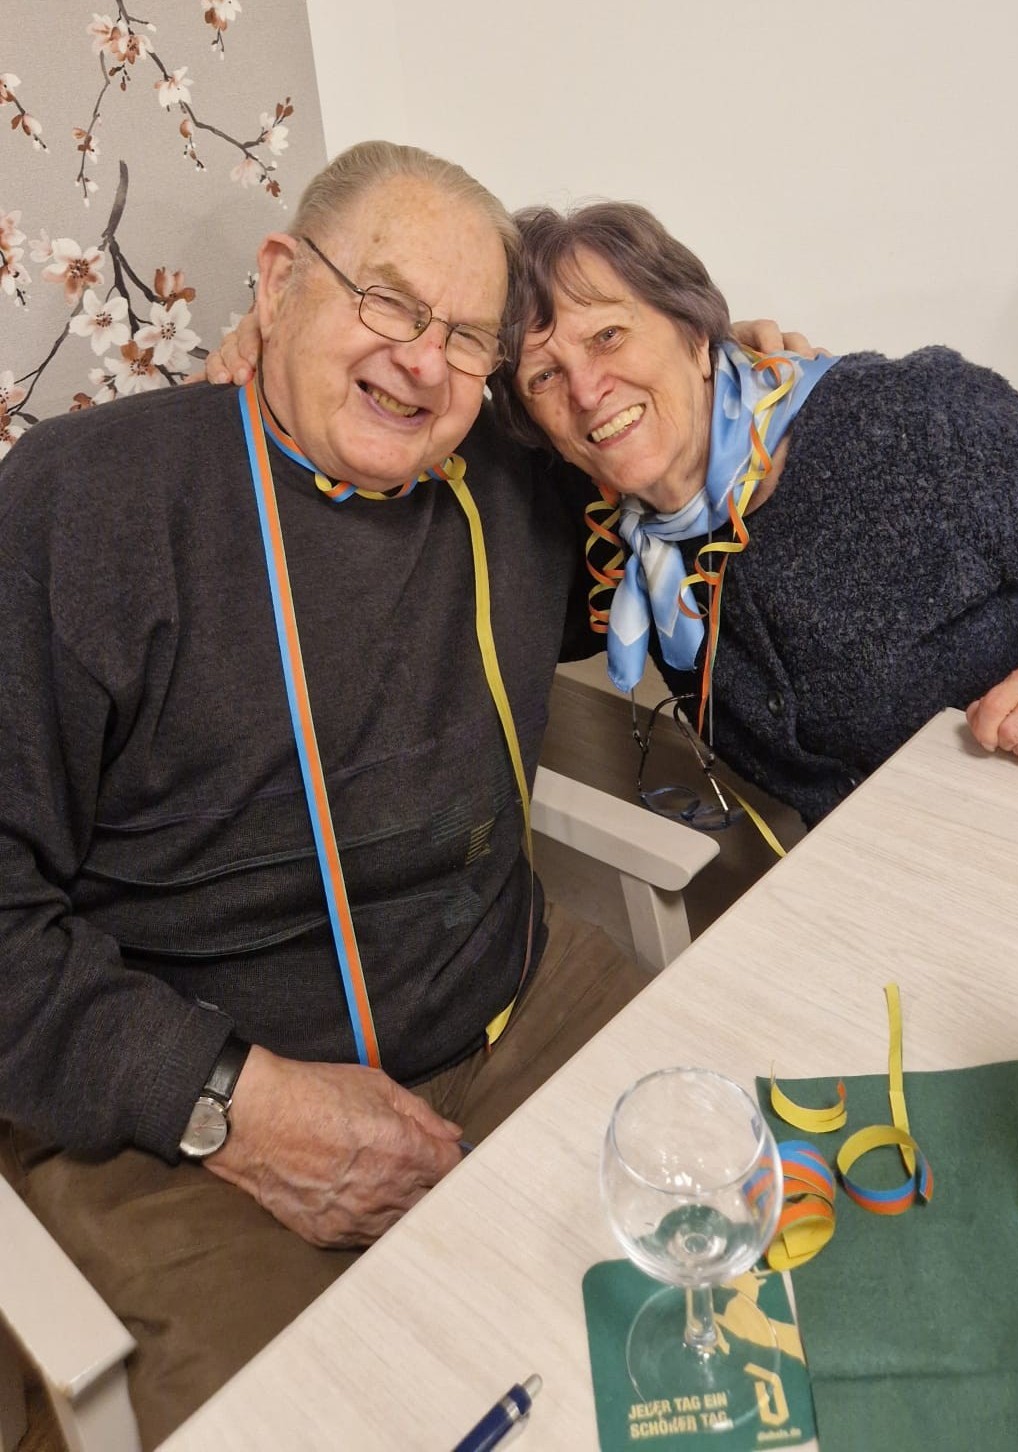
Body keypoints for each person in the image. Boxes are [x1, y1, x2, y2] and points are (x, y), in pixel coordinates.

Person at [0, 141, 667, 1448]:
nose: (422, 361)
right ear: (276, 282)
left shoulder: (512, 479)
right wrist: (228, 1103)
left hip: (513, 1008)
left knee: (739, 1246)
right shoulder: (82, 505)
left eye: (466, 337)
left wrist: (742, 369)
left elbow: (665, 420)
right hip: (189, 1116)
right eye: (386, 300)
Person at [482, 201, 1018, 825]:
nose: (586, 390)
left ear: (695, 335)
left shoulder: (907, 421)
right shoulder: (617, 536)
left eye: (609, 336)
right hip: (884, 865)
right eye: (544, 376)